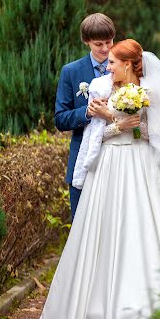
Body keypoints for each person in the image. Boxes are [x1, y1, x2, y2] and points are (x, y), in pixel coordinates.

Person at [35, 39, 160, 319]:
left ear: (127, 64)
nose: (107, 67)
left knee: (142, 231)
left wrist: (132, 126)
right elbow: (98, 137)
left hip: (140, 165)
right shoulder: (101, 89)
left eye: (112, 62)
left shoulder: (150, 91)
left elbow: (156, 136)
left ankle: (145, 315)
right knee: (103, 232)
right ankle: (96, 317)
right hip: (108, 166)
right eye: (107, 62)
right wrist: (113, 121)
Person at [54, 13, 116, 220]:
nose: (106, 49)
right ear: (86, 41)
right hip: (82, 159)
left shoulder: (125, 67)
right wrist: (87, 112)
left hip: (118, 159)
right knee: (82, 225)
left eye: (109, 42)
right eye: (99, 44)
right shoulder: (70, 72)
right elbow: (60, 119)